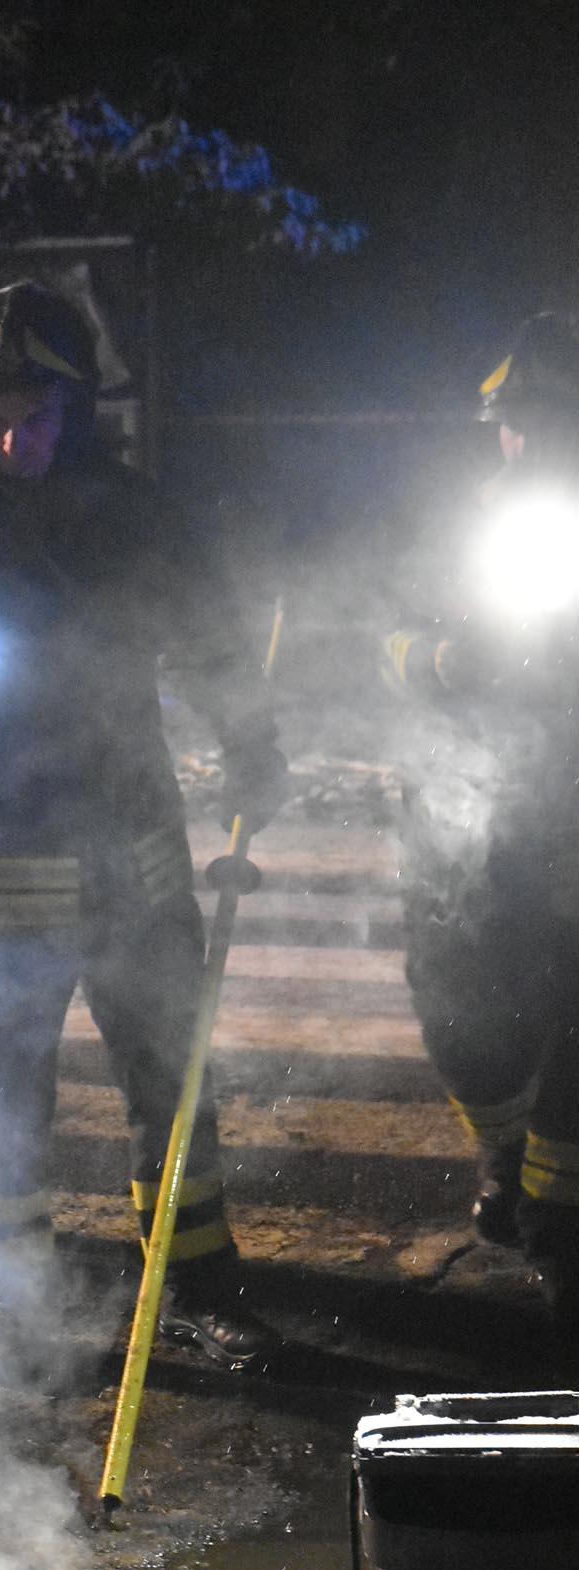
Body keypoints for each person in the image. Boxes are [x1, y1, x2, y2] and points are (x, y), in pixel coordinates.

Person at [0, 281, 287, 1370]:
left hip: (133, 856)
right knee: (2, 1108)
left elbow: (213, 641)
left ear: (75, 409)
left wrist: (255, 746)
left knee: (171, 1079)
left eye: (34, 417)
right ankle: (12, 1300)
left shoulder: (131, 514)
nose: (13, 437)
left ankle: (198, 1286)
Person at [384, 313, 579, 1325]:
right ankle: (503, 1146)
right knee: (461, 1007)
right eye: (516, 422)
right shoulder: (459, 526)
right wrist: (442, 661)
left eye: (554, 419)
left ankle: (555, 1224)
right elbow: (393, 637)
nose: (532, 442)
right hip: (469, 812)